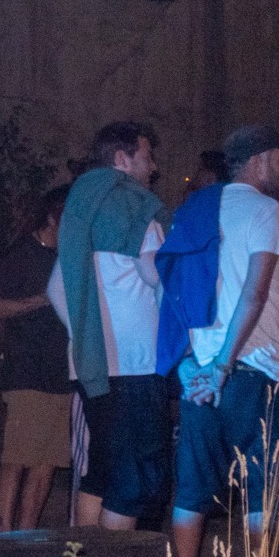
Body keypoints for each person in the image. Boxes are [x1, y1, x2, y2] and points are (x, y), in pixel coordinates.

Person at [169, 125, 279, 557]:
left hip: (199, 376)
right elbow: (255, 292)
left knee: (191, 493)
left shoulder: (194, 210)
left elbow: (170, 288)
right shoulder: (267, 210)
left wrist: (189, 364)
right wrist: (223, 367)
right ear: (258, 161)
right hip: (255, 371)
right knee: (269, 491)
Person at [50, 121, 170, 530]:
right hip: (134, 363)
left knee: (101, 472)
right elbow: (155, 274)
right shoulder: (134, 205)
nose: (154, 167)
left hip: (93, 366)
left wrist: (85, 335)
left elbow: (56, 288)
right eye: (147, 156)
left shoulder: (80, 208)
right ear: (122, 158)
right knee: (132, 482)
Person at [0, 187, 71, 531]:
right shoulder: (22, 254)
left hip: (61, 372)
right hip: (26, 370)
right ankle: (3, 534)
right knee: (17, 458)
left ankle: (26, 536)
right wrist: (39, 301)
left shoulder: (68, 256)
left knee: (47, 461)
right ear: (52, 217)